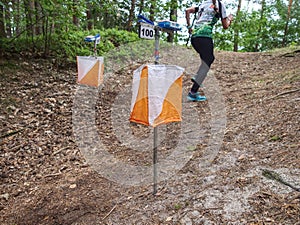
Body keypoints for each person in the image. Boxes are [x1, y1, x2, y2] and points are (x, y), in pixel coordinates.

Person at [185, 0, 233, 101]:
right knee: (209, 59)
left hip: (194, 38)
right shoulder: (220, 5)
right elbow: (225, 26)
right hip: (205, 37)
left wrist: (189, 27)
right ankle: (197, 79)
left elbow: (187, 11)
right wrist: (229, 19)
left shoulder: (203, 4)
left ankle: (193, 92)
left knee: (205, 62)